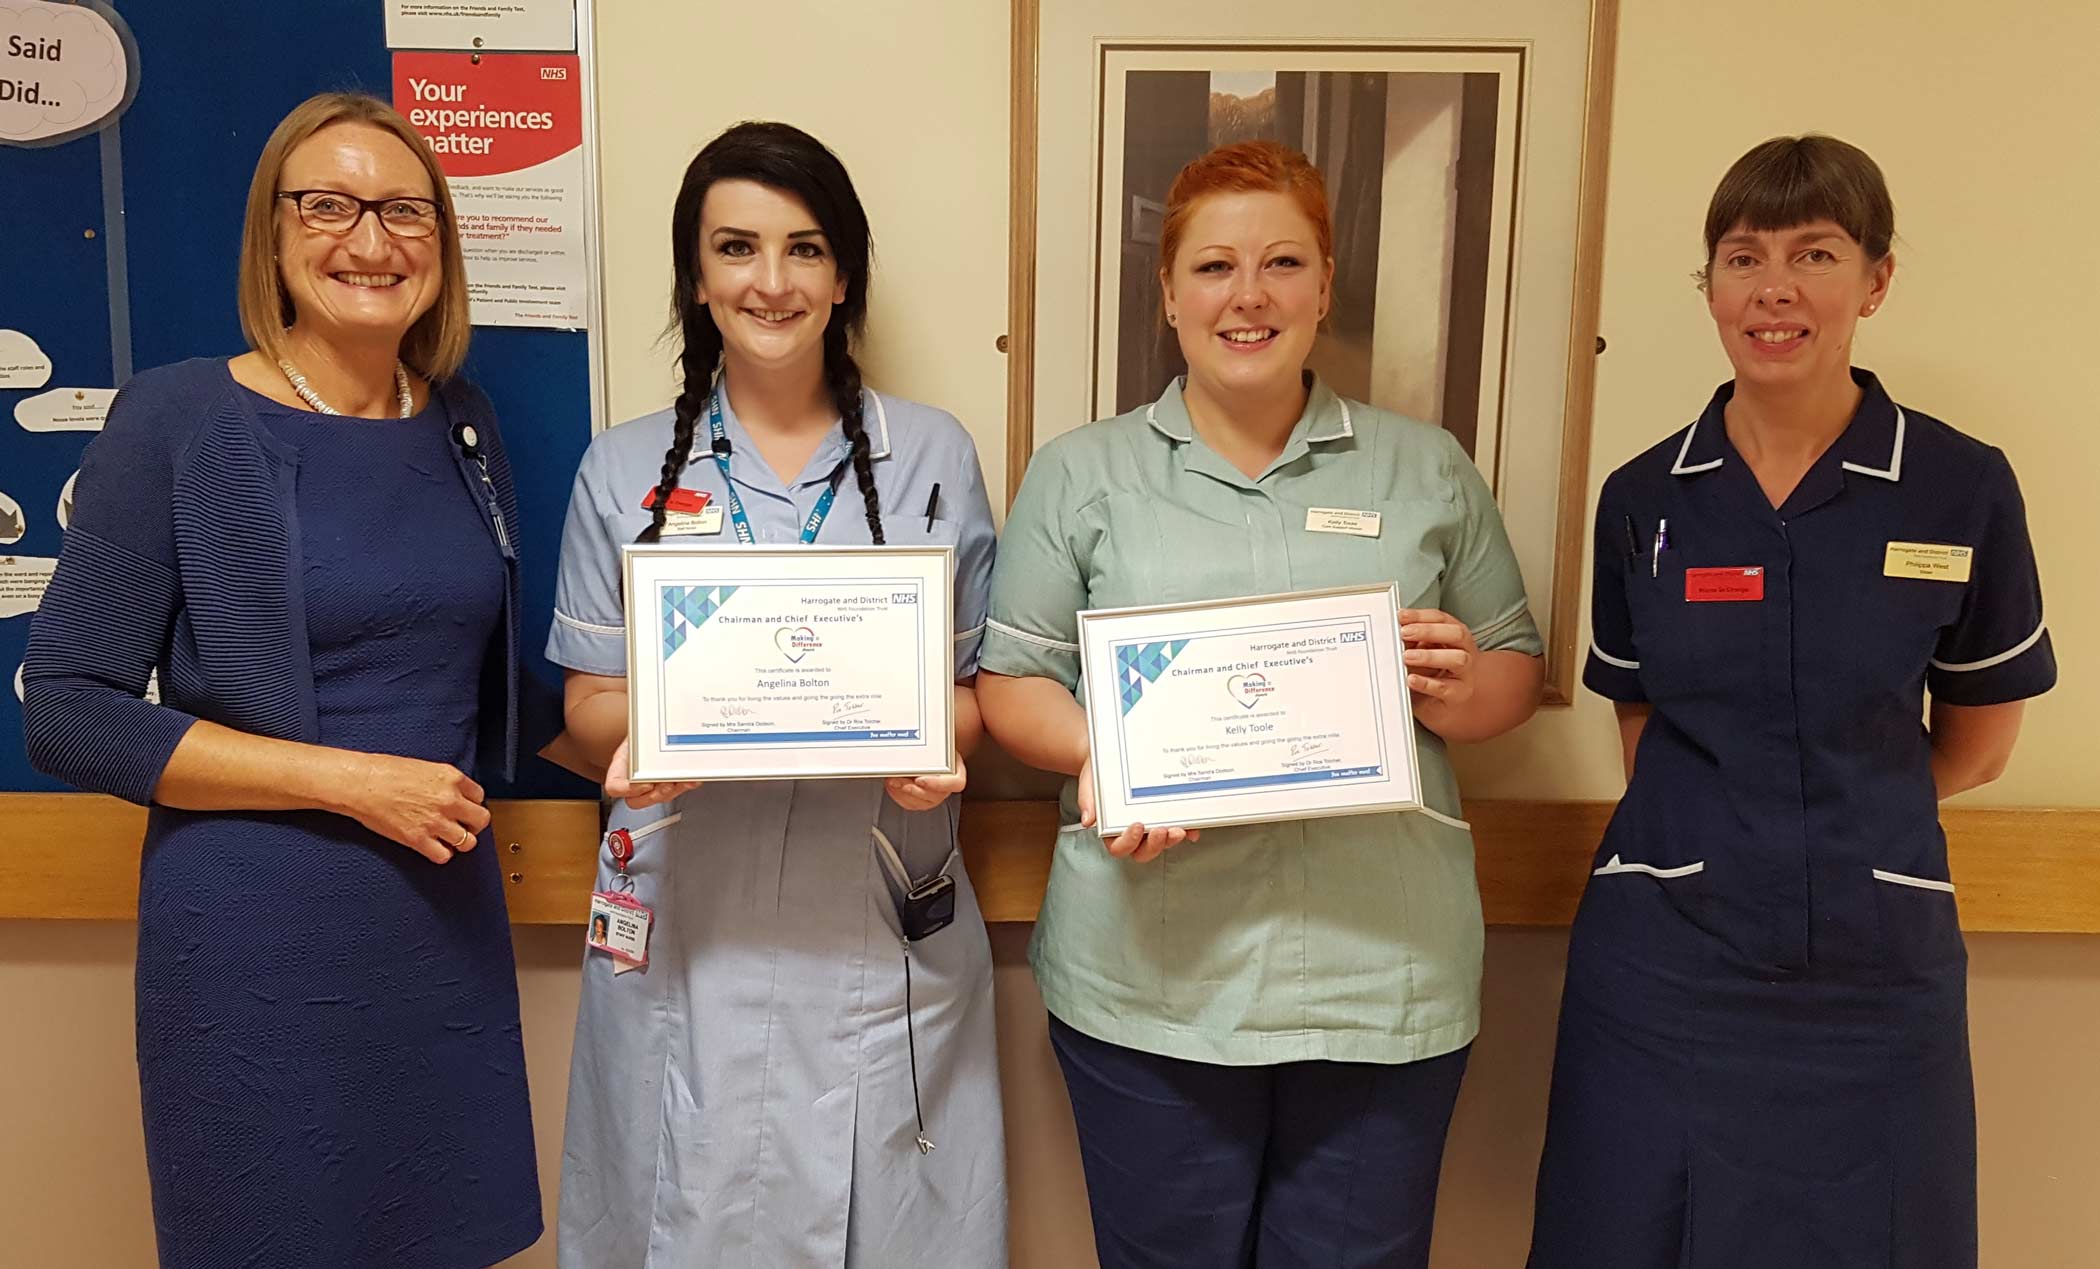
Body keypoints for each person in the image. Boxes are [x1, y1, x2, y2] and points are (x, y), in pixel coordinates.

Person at [977, 139, 1544, 1269]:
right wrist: (1108, 758)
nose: (1249, 296)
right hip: (1151, 980)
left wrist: (1455, 685)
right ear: (1170, 294)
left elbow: (1514, 674)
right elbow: (1011, 685)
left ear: (1326, 285)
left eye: (1283, 262)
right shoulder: (1083, 475)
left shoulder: (1423, 469)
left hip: (1383, 981)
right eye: (1214, 266)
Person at [21, 92, 540, 1267]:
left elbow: (486, 680)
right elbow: (67, 710)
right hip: (257, 947)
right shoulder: (179, 417)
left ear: (442, 247)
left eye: (405, 210)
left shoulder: (463, 422)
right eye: (329, 205)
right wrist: (351, 783)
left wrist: (654, 742)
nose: (371, 239)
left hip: (439, 931)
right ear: (273, 237)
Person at [1526, 134, 2056, 1269]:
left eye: (1814, 253)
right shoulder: (1644, 498)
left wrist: (1840, 825)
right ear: (1709, 286)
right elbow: (1642, 731)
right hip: (1663, 972)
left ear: (1876, 279)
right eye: (1741, 256)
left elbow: (1979, 742)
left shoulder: (1959, 486)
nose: (1774, 289)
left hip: (1876, 979)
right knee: (1629, 1236)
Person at [543, 121, 1006, 1267]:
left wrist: (938, 742)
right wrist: (645, 736)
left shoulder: (934, 456)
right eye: (737, 248)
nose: (772, 280)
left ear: (843, 274)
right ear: (697, 279)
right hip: (689, 904)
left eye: (805, 249)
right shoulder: (625, 468)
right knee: (678, 1200)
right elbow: (590, 703)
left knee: (891, 1210)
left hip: (874, 897)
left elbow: (968, 698)